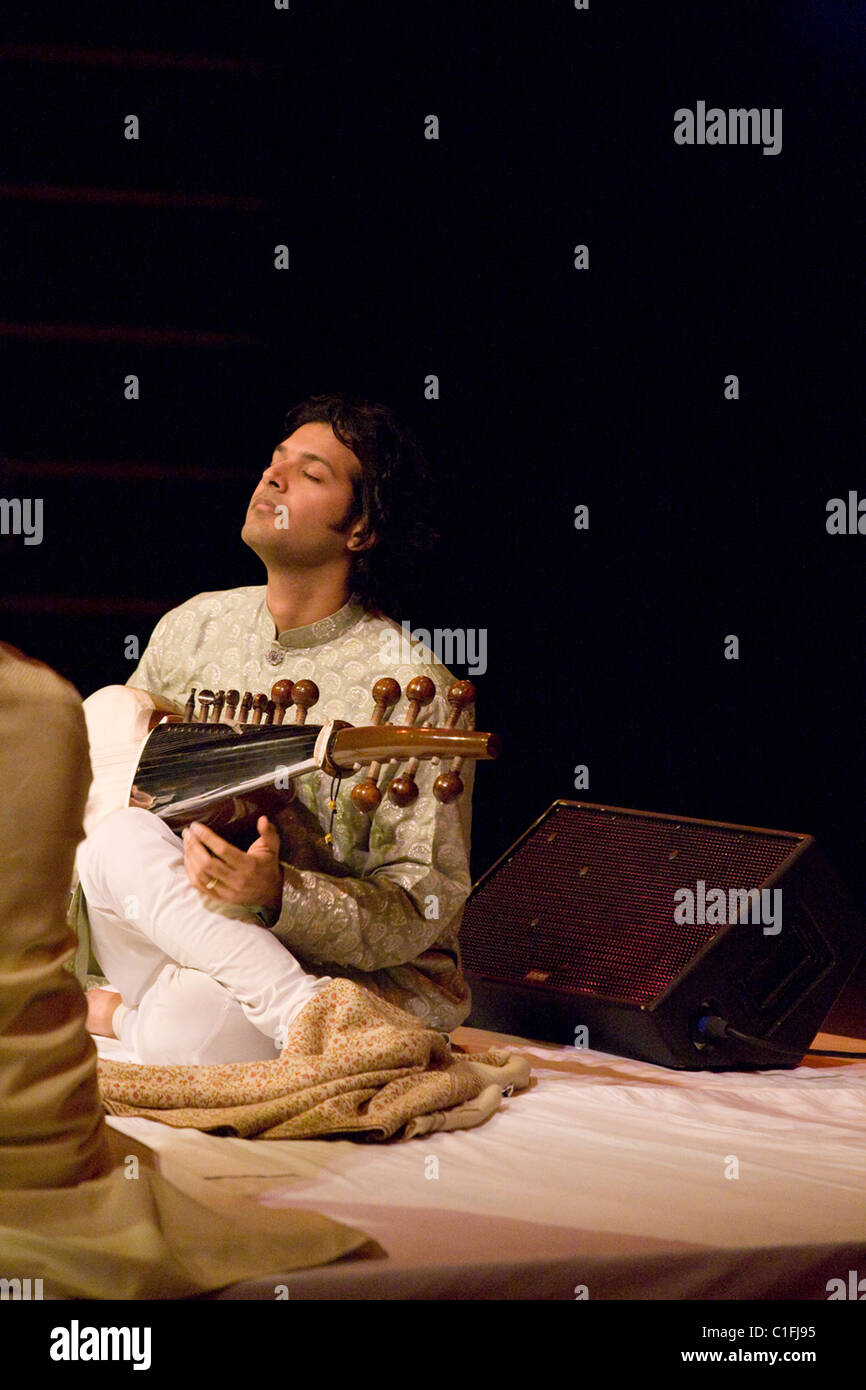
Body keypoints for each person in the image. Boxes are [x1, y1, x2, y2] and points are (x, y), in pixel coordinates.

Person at [79, 393, 477, 1065]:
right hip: (194, 935)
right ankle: (266, 1018)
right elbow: (122, 819)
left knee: (192, 1027)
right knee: (112, 835)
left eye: (312, 474)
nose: (274, 477)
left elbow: (424, 906)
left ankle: (138, 1017)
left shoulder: (415, 688)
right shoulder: (194, 628)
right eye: (275, 461)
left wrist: (278, 894)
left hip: (345, 978)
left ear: (361, 530)